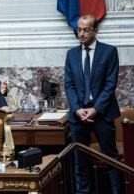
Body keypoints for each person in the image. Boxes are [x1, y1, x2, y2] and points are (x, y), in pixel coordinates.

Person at [64, 15, 125, 194]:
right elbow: (69, 85)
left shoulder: (109, 52)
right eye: (79, 30)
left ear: (95, 31)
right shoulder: (71, 54)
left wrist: (95, 109)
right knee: (80, 161)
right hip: (78, 115)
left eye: (86, 30)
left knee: (111, 159)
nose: (81, 34)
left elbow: (110, 85)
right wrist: (77, 110)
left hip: (102, 114)